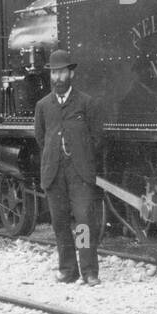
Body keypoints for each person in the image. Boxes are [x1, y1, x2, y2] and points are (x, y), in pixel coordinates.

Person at [33, 50, 106, 285]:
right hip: (54, 173)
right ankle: (67, 269)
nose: (58, 77)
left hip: (79, 173)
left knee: (84, 221)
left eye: (62, 72)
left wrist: (80, 158)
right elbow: (41, 138)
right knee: (60, 222)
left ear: (71, 73)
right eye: (54, 72)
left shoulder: (87, 103)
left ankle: (89, 271)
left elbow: (97, 139)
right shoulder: (43, 106)